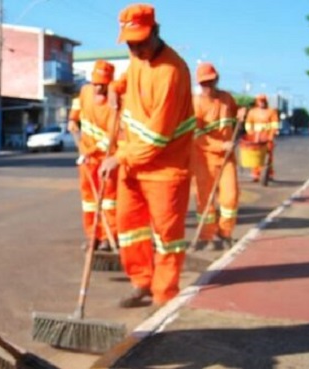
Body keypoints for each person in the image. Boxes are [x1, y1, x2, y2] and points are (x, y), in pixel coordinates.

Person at [101, 3, 195, 308]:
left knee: (168, 236)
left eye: (142, 42)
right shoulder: (138, 57)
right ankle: (141, 281)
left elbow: (156, 138)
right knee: (130, 228)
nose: (137, 49)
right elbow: (132, 74)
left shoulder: (172, 72)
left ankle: (164, 295)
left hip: (164, 168)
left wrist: (120, 158)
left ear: (156, 32)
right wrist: (117, 86)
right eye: (131, 43)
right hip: (133, 164)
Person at [191, 62, 240, 250]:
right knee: (205, 199)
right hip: (205, 158)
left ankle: (225, 232)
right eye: (204, 83)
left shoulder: (227, 98)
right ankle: (207, 236)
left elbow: (235, 115)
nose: (207, 87)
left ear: (216, 80)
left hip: (227, 158)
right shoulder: (196, 104)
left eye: (210, 82)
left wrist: (242, 113)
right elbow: (197, 137)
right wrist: (221, 145)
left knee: (230, 197)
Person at [73, 60, 121, 251]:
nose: (98, 87)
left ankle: (110, 237)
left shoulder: (114, 103)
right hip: (86, 159)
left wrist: (89, 151)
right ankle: (93, 236)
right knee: (89, 202)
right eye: (95, 83)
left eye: (103, 84)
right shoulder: (85, 91)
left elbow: (111, 137)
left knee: (108, 200)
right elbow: (77, 106)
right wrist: (72, 119)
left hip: (106, 158)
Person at [244, 94, 279, 181]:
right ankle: (256, 174)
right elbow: (248, 124)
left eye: (263, 100)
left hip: (267, 136)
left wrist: (271, 135)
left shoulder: (271, 111)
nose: (262, 102)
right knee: (256, 155)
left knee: (268, 156)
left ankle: (269, 173)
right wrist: (251, 134)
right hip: (255, 136)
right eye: (260, 101)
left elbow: (274, 125)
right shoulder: (252, 112)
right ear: (257, 102)